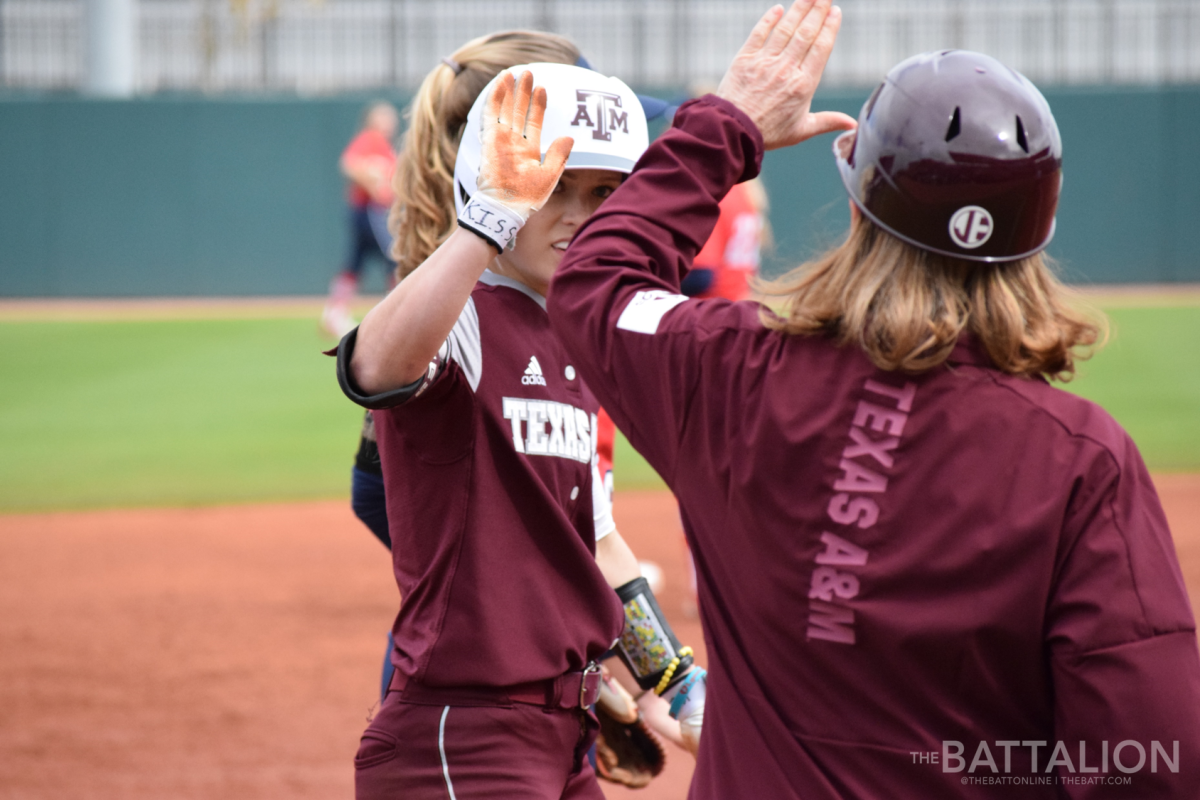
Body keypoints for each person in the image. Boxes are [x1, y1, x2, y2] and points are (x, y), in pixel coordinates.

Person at [547, 1, 1200, 797]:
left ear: (860, 202)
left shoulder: (730, 371)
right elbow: (1152, 760)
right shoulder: (1079, 460)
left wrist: (727, 125)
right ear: (1042, 229)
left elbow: (594, 280)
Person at [333, 60, 705, 799]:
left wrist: (675, 679)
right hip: (466, 733)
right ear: (496, 178)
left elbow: (596, 540)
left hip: (560, 733)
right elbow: (373, 367)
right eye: (551, 185)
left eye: (602, 194)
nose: (576, 212)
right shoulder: (464, 313)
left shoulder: (573, 337)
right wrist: (486, 223)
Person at [322, 101, 400, 338]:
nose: (392, 121)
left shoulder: (385, 145)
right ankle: (399, 314)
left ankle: (334, 313)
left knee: (354, 263)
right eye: (386, 116)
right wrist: (374, 186)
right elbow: (348, 164)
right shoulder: (371, 138)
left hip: (364, 211)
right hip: (369, 209)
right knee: (395, 257)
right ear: (374, 120)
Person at [680, 176, 769, 301]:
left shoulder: (716, 195)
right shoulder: (745, 193)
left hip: (709, 307)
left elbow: (701, 276)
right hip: (738, 302)